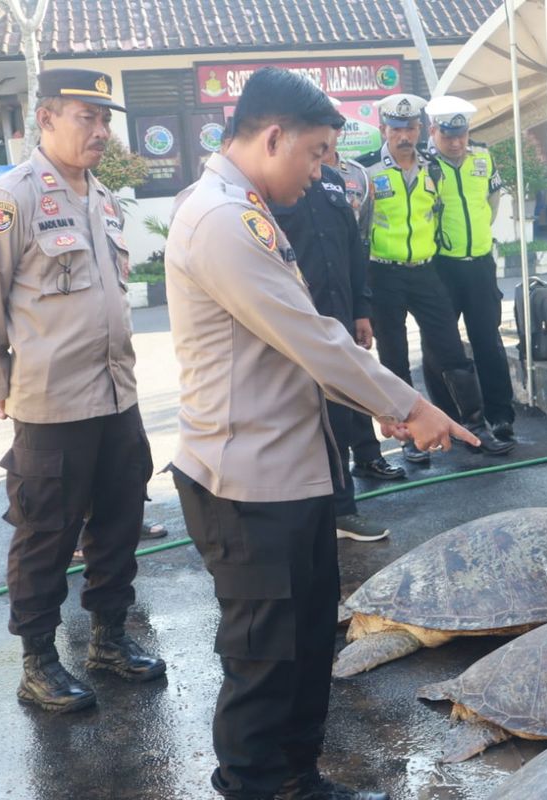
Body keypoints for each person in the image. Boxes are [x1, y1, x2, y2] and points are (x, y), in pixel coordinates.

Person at [165, 67, 475, 800]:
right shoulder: (220, 218)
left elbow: (307, 341)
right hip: (247, 483)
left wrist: (386, 407)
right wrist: (412, 406)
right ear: (272, 136)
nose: (323, 169)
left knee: (305, 648)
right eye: (316, 152)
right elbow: (310, 336)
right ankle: (254, 784)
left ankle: (294, 780)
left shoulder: (250, 208)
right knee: (264, 659)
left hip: (291, 470)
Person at [0, 68, 166, 714]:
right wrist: (1, 386)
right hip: (52, 405)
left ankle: (107, 638)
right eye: (85, 117)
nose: (101, 131)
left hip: (117, 397)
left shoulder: (101, 196)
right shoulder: (11, 199)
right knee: (46, 533)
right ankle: (39, 661)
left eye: (106, 120)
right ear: (45, 118)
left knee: (120, 520)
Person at [270, 101, 399, 543]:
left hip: (339, 314)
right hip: (294, 322)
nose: (325, 152)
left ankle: (343, 509)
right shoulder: (272, 190)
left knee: (340, 417)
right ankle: (303, 511)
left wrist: (361, 309)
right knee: (299, 418)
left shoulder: (334, 185)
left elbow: (352, 248)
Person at [360, 93, 514, 462]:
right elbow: (358, 229)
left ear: (419, 129)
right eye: (396, 128)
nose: (404, 136)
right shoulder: (367, 172)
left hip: (427, 271)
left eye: (410, 127)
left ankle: (475, 427)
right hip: (384, 273)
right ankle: (410, 438)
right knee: (394, 358)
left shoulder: (434, 168)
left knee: (450, 349)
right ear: (384, 129)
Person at [418, 96, 517, 442]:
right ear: (433, 131)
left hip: (479, 265)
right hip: (441, 267)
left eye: (461, 135)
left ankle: (500, 415)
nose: (457, 143)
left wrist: (479, 233)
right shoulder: (422, 165)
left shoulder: (482, 157)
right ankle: (449, 417)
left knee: (488, 341)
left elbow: (493, 198)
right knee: (440, 346)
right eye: (448, 136)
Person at [320, 99, 407, 485]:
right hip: (314, 294)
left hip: (351, 284)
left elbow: (362, 241)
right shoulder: (289, 177)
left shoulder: (355, 176)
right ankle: (334, 480)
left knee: (356, 369)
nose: (332, 132)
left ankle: (369, 456)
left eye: (337, 125)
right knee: (332, 384)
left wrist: (361, 305)